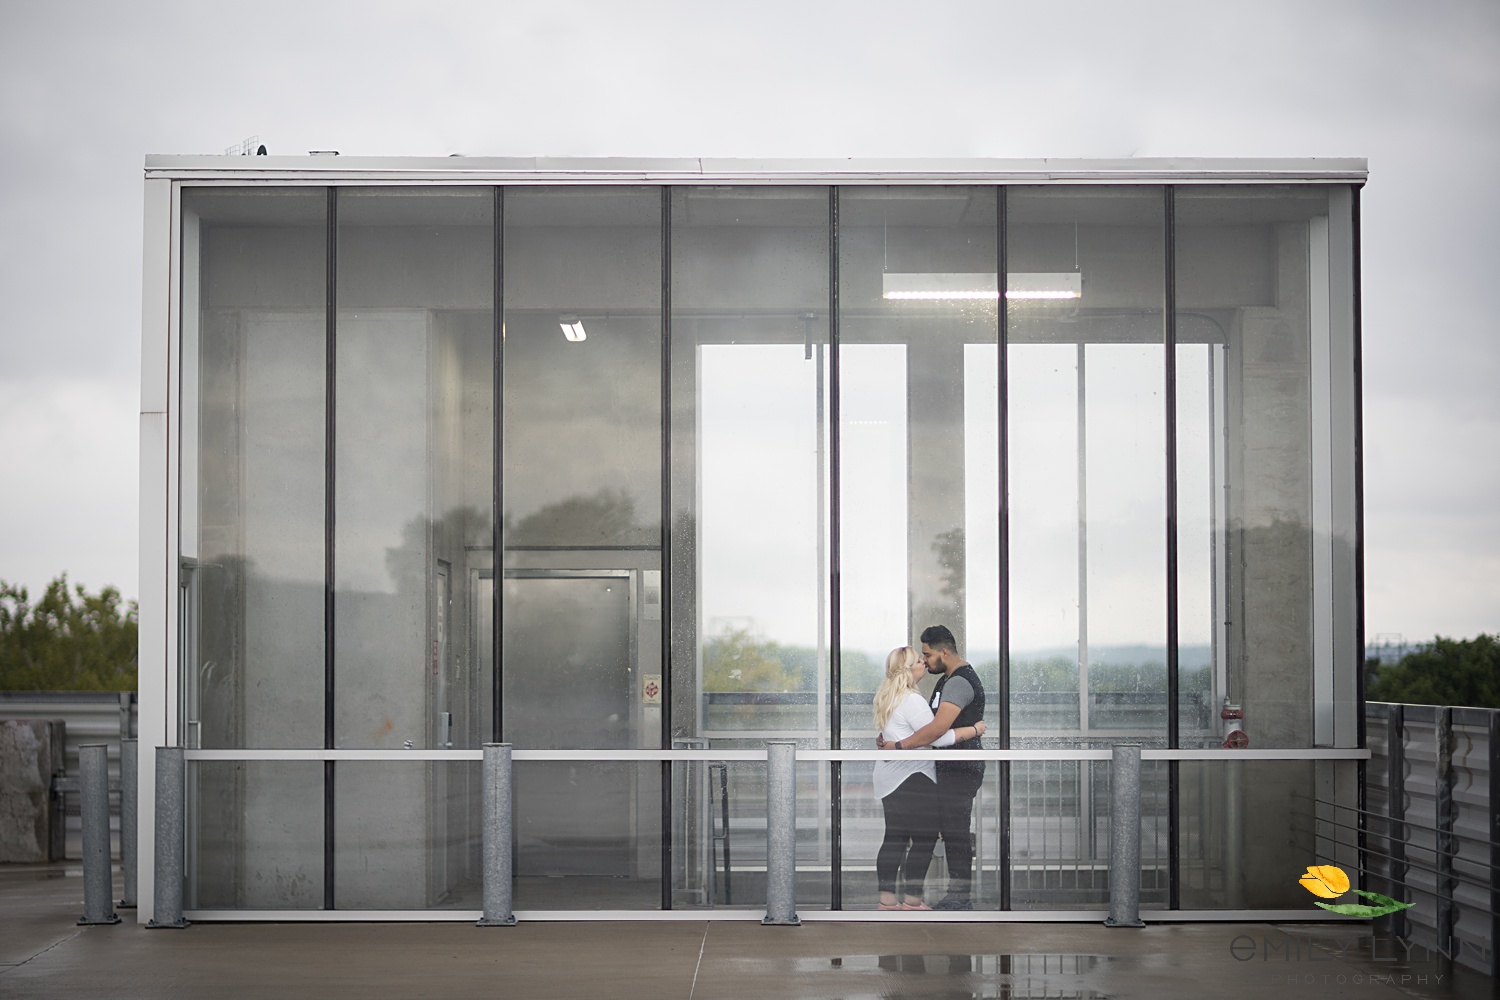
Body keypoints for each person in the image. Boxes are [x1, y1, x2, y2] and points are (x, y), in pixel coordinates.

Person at [878, 624, 986, 909]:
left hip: (960, 769)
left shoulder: (959, 682)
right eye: (920, 658)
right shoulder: (945, 681)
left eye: (928, 654)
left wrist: (899, 745)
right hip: (942, 769)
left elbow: (936, 731)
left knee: (954, 832)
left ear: (945, 652)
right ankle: (926, 898)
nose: (925, 661)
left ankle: (958, 897)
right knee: (937, 833)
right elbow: (931, 731)